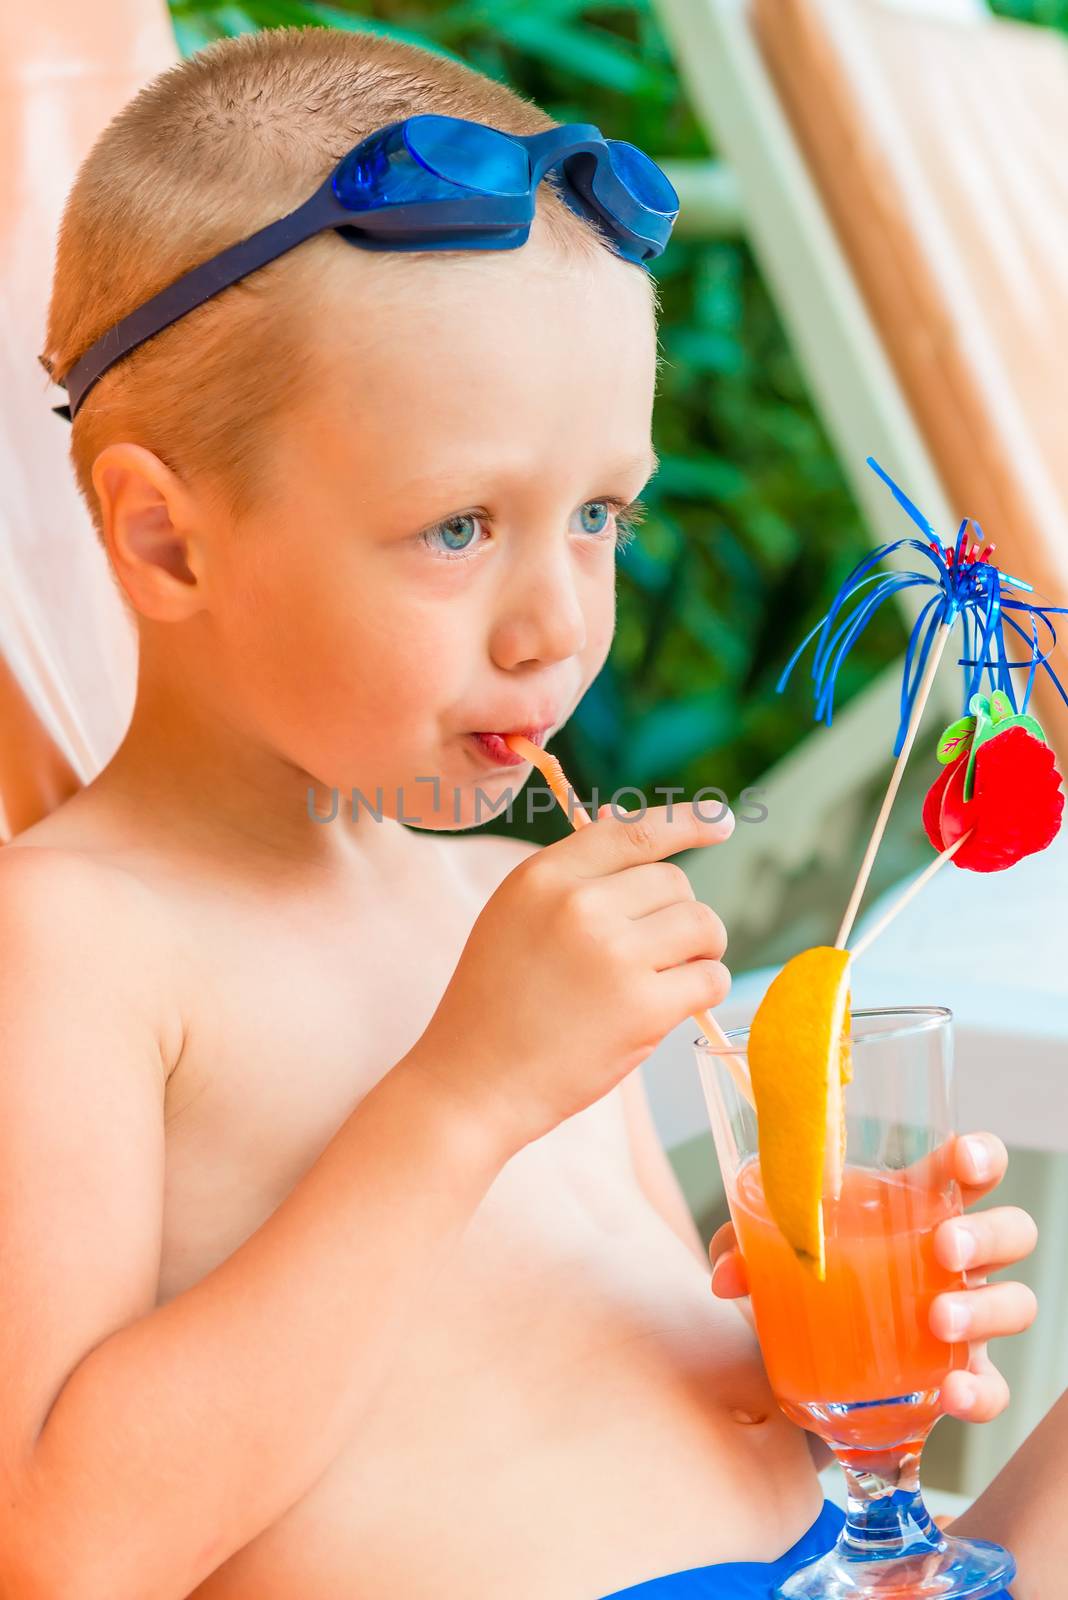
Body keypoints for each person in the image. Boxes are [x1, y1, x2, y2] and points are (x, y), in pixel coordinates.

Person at [0, 25, 1046, 1599]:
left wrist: (797, 1340)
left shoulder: (508, 897)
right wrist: (461, 1099)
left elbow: (577, 1371)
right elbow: (61, 1551)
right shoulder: (79, 941)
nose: (558, 622)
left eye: (599, 516)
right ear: (165, 544)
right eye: (461, 524)